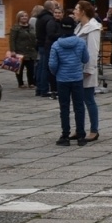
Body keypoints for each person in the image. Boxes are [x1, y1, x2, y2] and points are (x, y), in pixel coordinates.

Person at [48, 18, 88, 146]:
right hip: (77, 78)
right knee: (79, 107)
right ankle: (81, 135)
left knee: (64, 107)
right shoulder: (81, 43)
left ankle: (65, 135)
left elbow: (52, 64)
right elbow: (85, 59)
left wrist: (57, 73)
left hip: (62, 79)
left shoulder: (56, 45)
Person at [75, 0, 102, 143]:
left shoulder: (93, 27)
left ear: (83, 11)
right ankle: (79, 128)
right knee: (78, 100)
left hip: (86, 68)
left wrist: (89, 68)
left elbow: (93, 50)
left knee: (89, 99)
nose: (74, 11)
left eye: (76, 9)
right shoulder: (79, 26)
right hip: (76, 68)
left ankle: (94, 130)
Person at [34, 0, 58, 97]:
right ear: (51, 8)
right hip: (45, 45)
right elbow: (50, 33)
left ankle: (39, 88)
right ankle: (44, 89)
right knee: (45, 67)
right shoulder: (49, 18)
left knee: (40, 67)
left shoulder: (40, 17)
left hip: (40, 44)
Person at [10, 10, 38, 89]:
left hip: (31, 51)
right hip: (20, 51)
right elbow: (12, 40)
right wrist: (13, 50)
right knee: (19, 68)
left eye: (26, 16)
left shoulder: (31, 27)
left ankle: (31, 83)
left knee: (31, 68)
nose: (24, 17)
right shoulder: (15, 28)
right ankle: (20, 83)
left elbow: (34, 36)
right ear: (18, 18)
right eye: (22, 16)